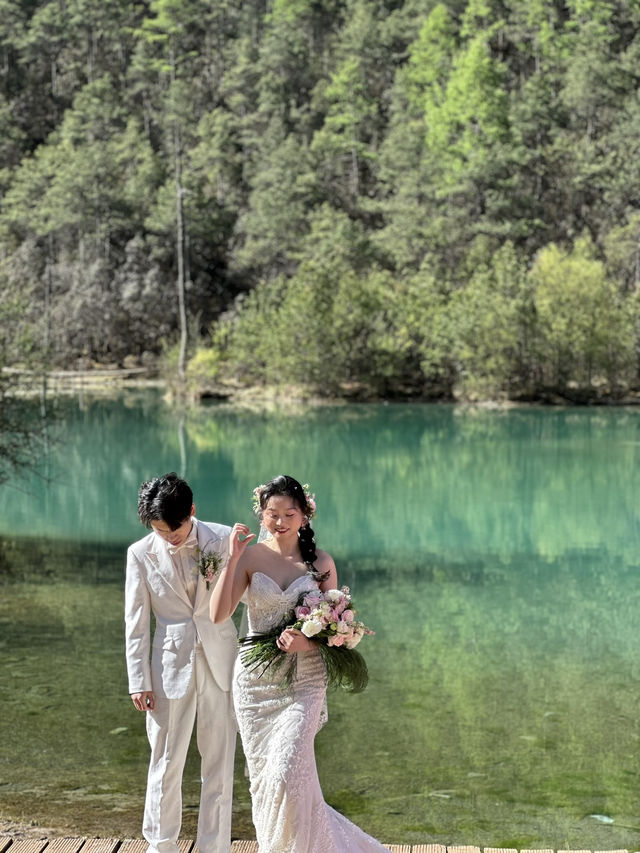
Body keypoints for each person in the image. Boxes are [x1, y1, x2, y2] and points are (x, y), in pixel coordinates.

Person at [210, 474, 391, 853]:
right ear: (261, 515)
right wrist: (232, 558)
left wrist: (306, 641)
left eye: (288, 513)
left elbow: (339, 633)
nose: (279, 521)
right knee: (265, 780)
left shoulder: (321, 563)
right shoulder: (250, 557)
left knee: (289, 770)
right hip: (256, 683)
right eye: (271, 513)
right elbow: (217, 614)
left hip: (305, 681)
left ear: (305, 515)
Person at [124, 473, 238, 853]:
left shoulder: (224, 539)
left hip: (222, 663)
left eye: (176, 528)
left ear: (192, 510)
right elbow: (136, 621)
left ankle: (215, 847)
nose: (170, 537)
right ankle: (160, 845)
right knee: (165, 761)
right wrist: (139, 679)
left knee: (219, 764)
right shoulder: (139, 554)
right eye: (160, 530)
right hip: (168, 668)